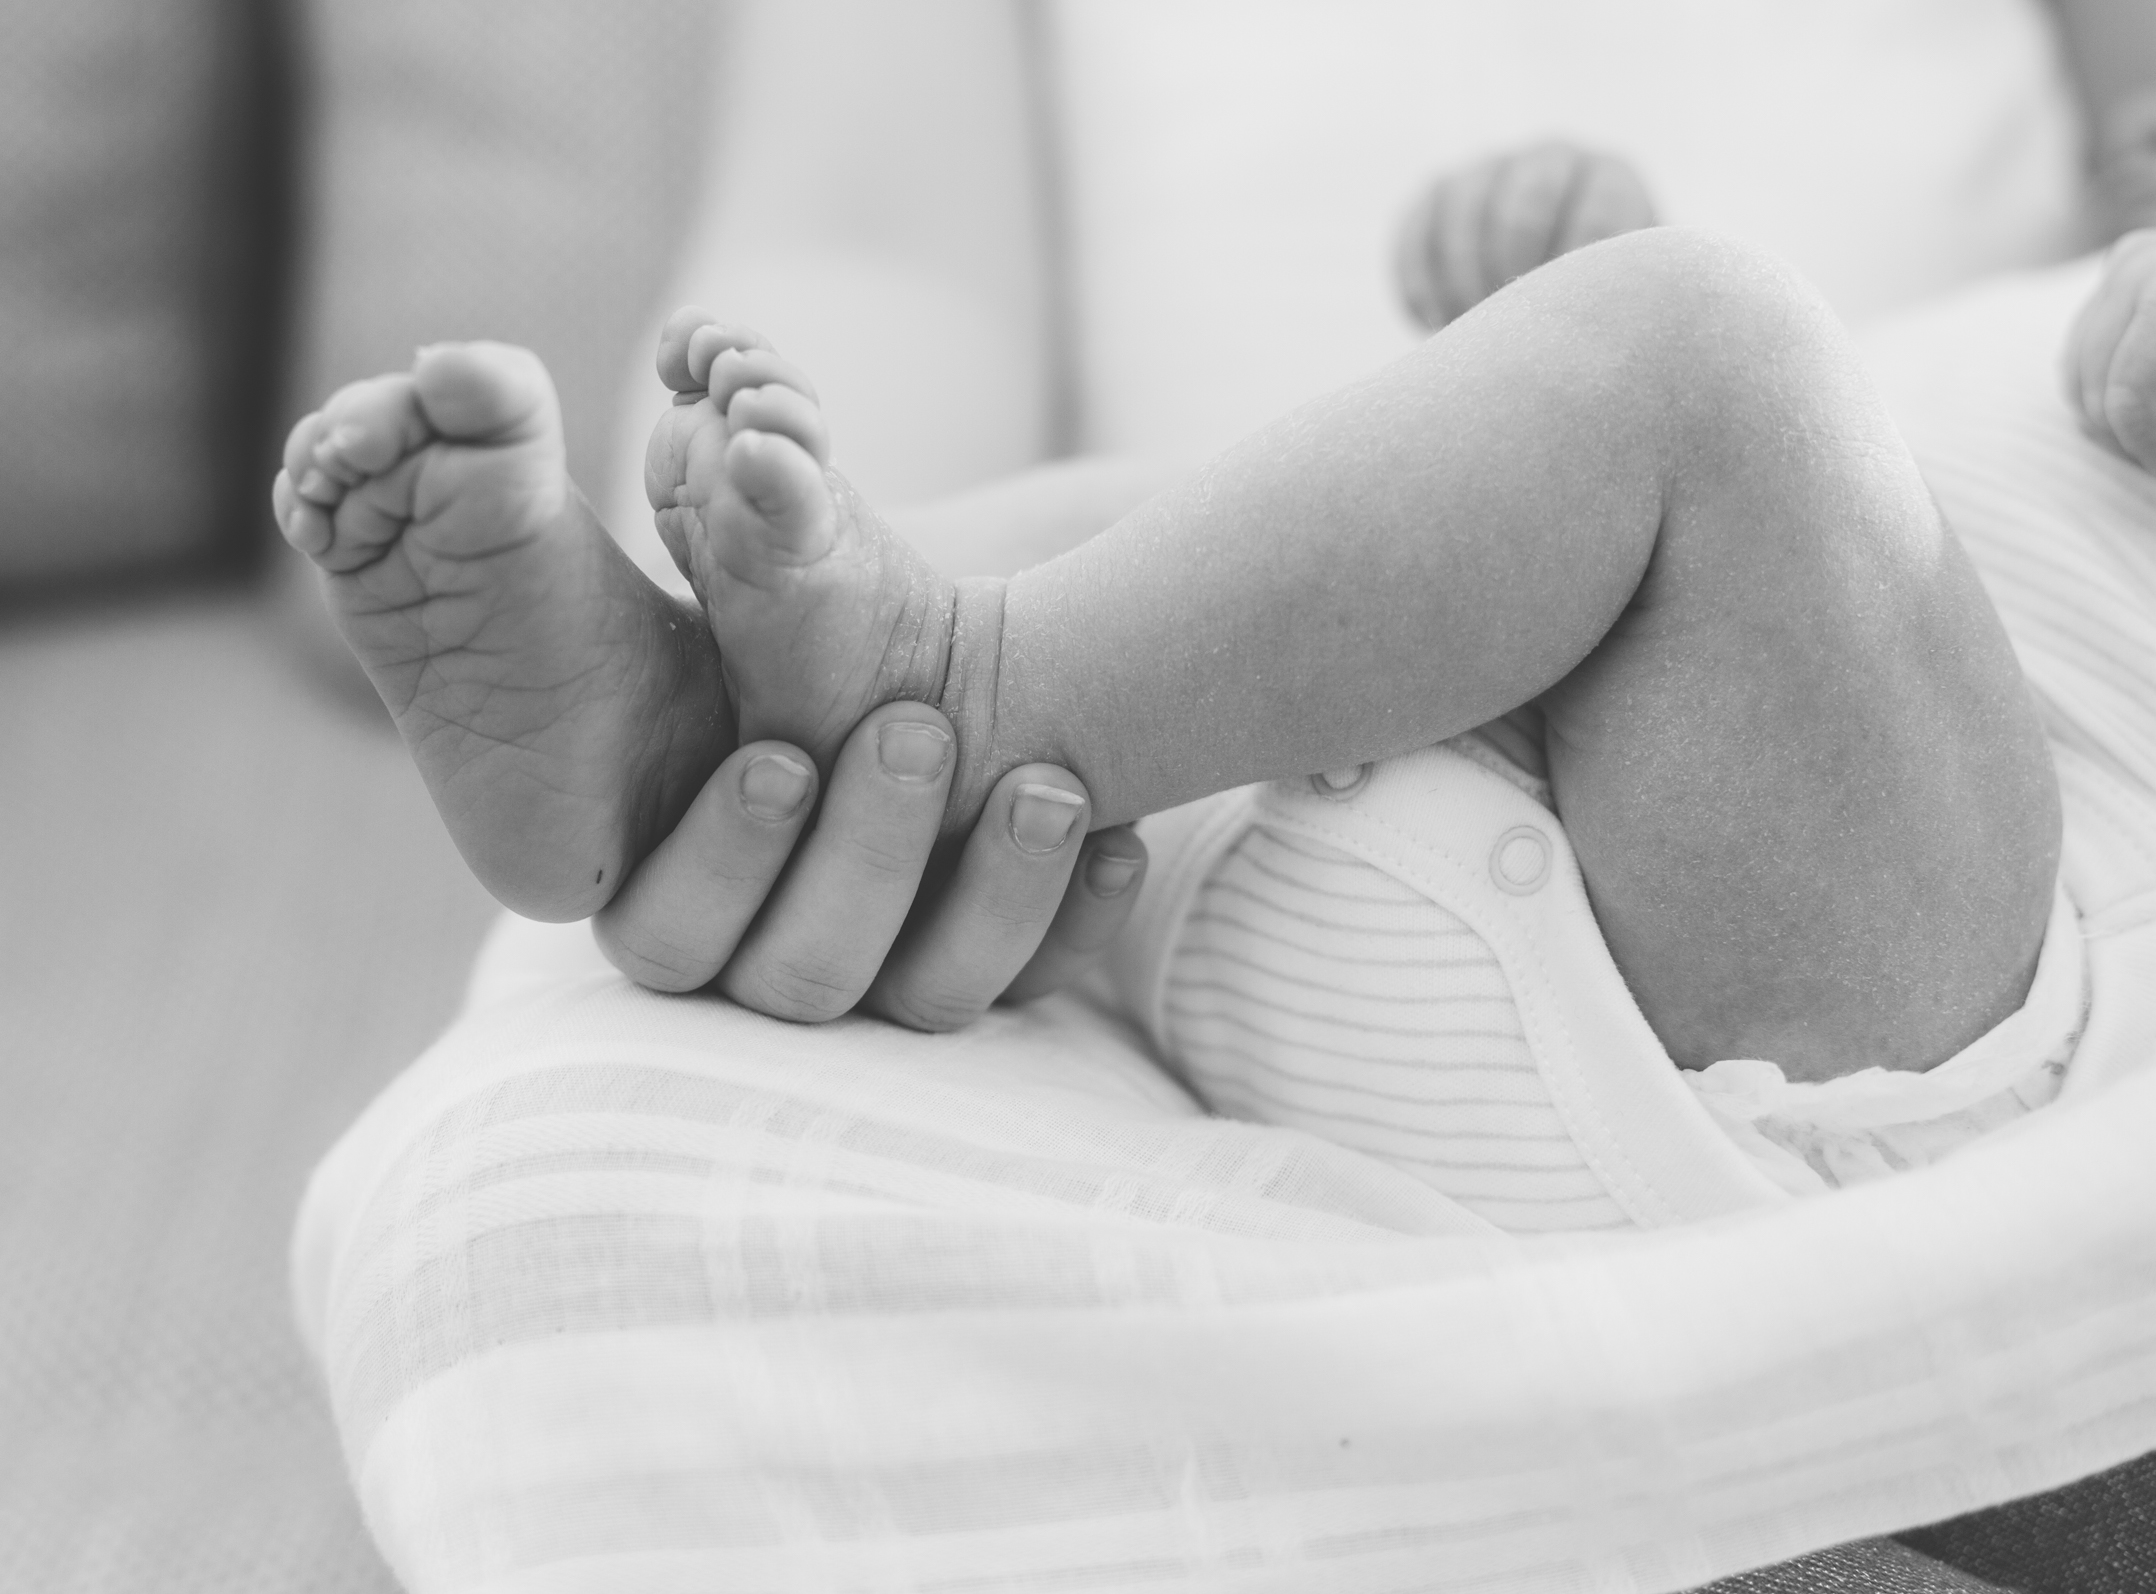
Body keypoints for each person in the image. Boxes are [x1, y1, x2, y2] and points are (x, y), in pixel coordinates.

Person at [272, 214, 2156, 1208]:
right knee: (1168, 515)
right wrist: (1557, 320)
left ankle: (952, 685)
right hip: (1297, 885)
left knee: (1713, 357)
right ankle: (699, 725)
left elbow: (1806, 520)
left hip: (1928, 1067)